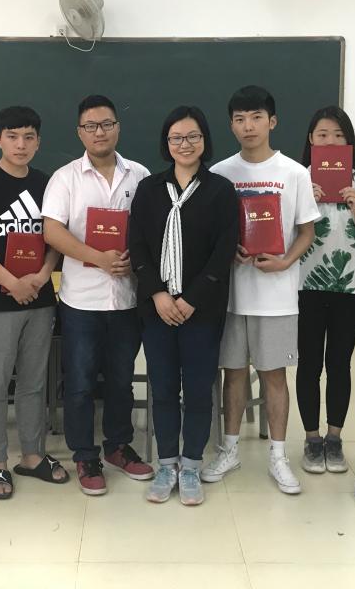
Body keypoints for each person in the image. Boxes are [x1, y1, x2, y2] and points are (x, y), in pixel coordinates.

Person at [204, 86, 320, 494]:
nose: (247, 126)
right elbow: (211, 234)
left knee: (274, 376)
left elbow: (306, 231)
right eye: (239, 119)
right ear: (231, 125)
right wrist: (226, 252)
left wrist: (286, 261)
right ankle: (229, 450)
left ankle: (278, 456)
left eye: (255, 117)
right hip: (231, 296)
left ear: (272, 121)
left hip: (277, 295)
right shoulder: (220, 173)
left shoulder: (295, 173)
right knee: (233, 374)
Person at [42, 95, 154, 495]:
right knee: (80, 382)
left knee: (121, 380)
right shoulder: (65, 178)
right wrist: (98, 258)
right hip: (81, 303)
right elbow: (52, 232)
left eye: (106, 124)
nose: (99, 132)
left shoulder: (140, 176)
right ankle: (85, 454)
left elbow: (152, 230)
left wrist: (133, 260)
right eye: (90, 126)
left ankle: (118, 446)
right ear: (80, 133)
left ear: (117, 128)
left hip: (127, 299)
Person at [128, 106, 237, 506]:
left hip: (201, 310)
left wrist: (191, 299)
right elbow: (137, 246)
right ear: (166, 143)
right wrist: (158, 294)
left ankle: (190, 465)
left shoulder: (220, 190)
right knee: (163, 389)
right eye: (176, 138)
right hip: (156, 309)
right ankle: (166, 464)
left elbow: (223, 251)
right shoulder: (149, 189)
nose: (184, 144)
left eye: (192, 136)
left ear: (204, 140)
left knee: (197, 390)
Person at [0, 106, 66, 499]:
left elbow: (55, 237)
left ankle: (32, 456)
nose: (21, 145)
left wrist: (42, 275)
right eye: (13, 136)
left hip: (39, 297)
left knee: (34, 382)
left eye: (29, 137)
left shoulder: (47, 183)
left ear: (38, 142)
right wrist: (11, 282)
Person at [296, 106, 355, 475]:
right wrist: (306, 204)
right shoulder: (298, 179)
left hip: (350, 288)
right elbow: (282, 237)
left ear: (349, 141)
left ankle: (334, 437)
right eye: (322, 134)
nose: (330, 141)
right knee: (309, 364)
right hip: (305, 285)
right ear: (311, 140)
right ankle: (312, 439)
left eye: (338, 135)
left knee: (339, 364)